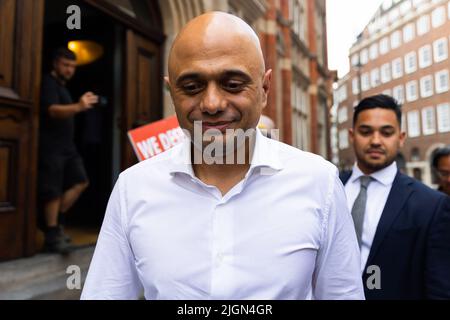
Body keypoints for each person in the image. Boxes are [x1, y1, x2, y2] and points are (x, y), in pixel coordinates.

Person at [81, 12, 364, 300]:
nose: (212, 104)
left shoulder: (319, 183)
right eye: (192, 87)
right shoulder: (133, 188)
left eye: (232, 84)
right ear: (172, 92)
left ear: (264, 89)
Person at [340, 94, 450, 299]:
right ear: (352, 135)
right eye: (366, 132)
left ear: (401, 138)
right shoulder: (330, 187)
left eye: (386, 132)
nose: (375, 140)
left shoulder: (432, 205)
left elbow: (439, 288)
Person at [38, 47, 99, 254]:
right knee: (52, 189)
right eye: (66, 65)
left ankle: (55, 223)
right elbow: (52, 110)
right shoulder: (47, 82)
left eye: (73, 66)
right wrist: (79, 107)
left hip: (67, 146)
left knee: (81, 181)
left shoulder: (63, 86)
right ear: (55, 63)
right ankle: (52, 235)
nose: (70, 69)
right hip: (51, 145)